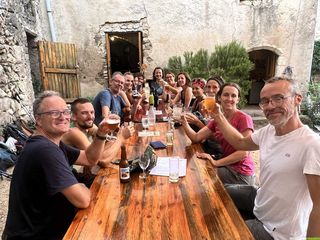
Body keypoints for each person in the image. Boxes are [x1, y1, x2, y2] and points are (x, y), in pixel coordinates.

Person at [213, 77, 320, 239]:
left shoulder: (311, 144)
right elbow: (241, 142)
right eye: (265, 101)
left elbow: (318, 206)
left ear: (297, 99)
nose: (270, 106)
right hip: (261, 203)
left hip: (277, 231)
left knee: (220, 232)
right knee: (216, 189)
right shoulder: (269, 130)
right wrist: (219, 117)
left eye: (278, 98)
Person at [2, 91, 111, 240]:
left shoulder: (52, 143)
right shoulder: (44, 150)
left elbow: (89, 159)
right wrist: (81, 187)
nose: (63, 116)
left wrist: (102, 134)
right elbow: (83, 200)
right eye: (54, 113)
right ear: (38, 120)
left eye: (65, 111)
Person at [182, 83, 254, 185]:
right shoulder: (218, 117)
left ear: (238, 99)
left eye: (233, 96)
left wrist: (216, 163)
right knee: (196, 168)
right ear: (219, 98)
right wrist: (183, 121)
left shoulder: (244, 118)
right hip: (226, 165)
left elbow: (243, 153)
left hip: (240, 172)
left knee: (200, 174)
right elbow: (196, 137)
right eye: (226, 95)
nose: (229, 98)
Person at [62, 98, 134, 167]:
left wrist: (112, 132)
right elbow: (101, 160)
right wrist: (121, 137)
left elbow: (103, 148)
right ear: (73, 116)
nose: (90, 117)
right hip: (66, 176)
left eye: (92, 112)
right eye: (84, 113)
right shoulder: (73, 132)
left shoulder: (89, 126)